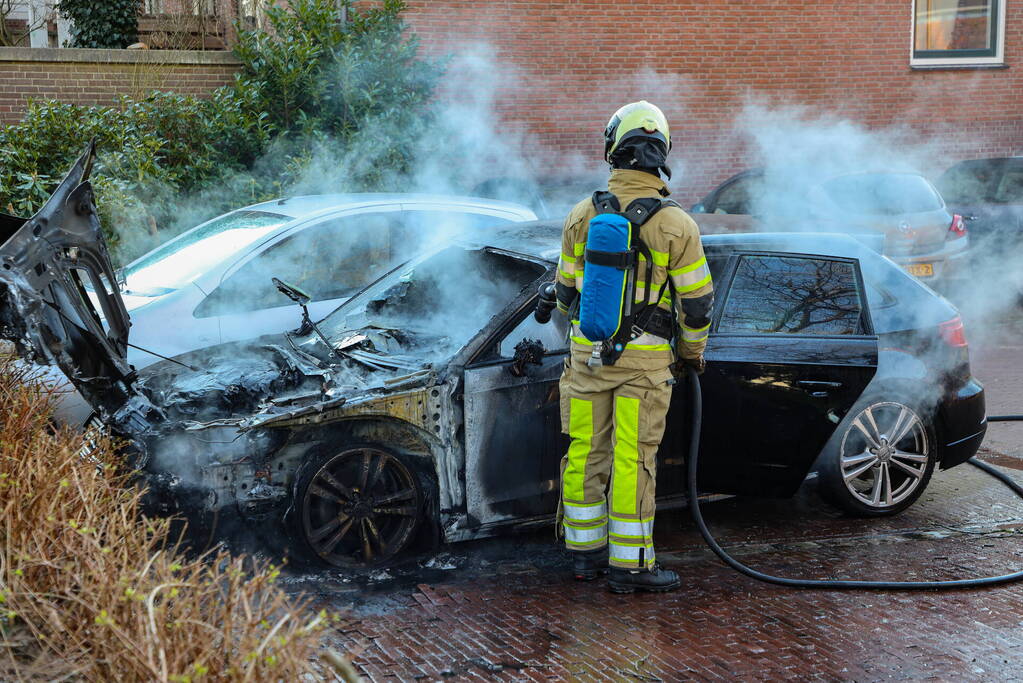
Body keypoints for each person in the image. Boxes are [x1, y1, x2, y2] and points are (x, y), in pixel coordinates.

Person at [552, 101, 713, 593]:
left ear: (612, 150)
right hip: (644, 367)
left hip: (586, 358)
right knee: (633, 459)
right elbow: (697, 308)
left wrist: (585, 342)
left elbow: (563, 297)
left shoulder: (582, 215)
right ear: (661, 155)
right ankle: (631, 566)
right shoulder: (677, 225)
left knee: (584, 453)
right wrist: (690, 355)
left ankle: (584, 557)